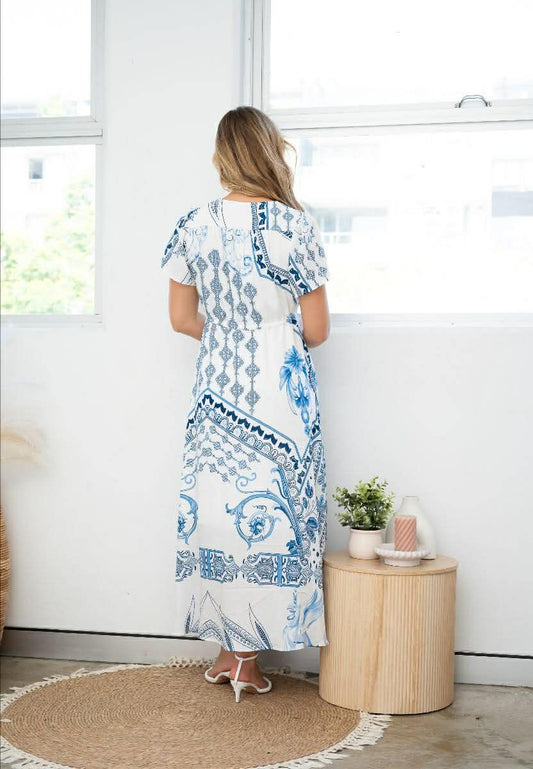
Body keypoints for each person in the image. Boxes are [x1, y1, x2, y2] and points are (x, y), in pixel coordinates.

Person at [160, 106, 330, 703]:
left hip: (216, 388)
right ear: (270, 152)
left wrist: (231, 334)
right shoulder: (295, 227)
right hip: (280, 390)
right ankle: (248, 660)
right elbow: (317, 330)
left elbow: (182, 319)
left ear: (221, 155)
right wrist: (269, 332)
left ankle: (227, 653)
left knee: (217, 508)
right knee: (276, 512)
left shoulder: (192, 224)